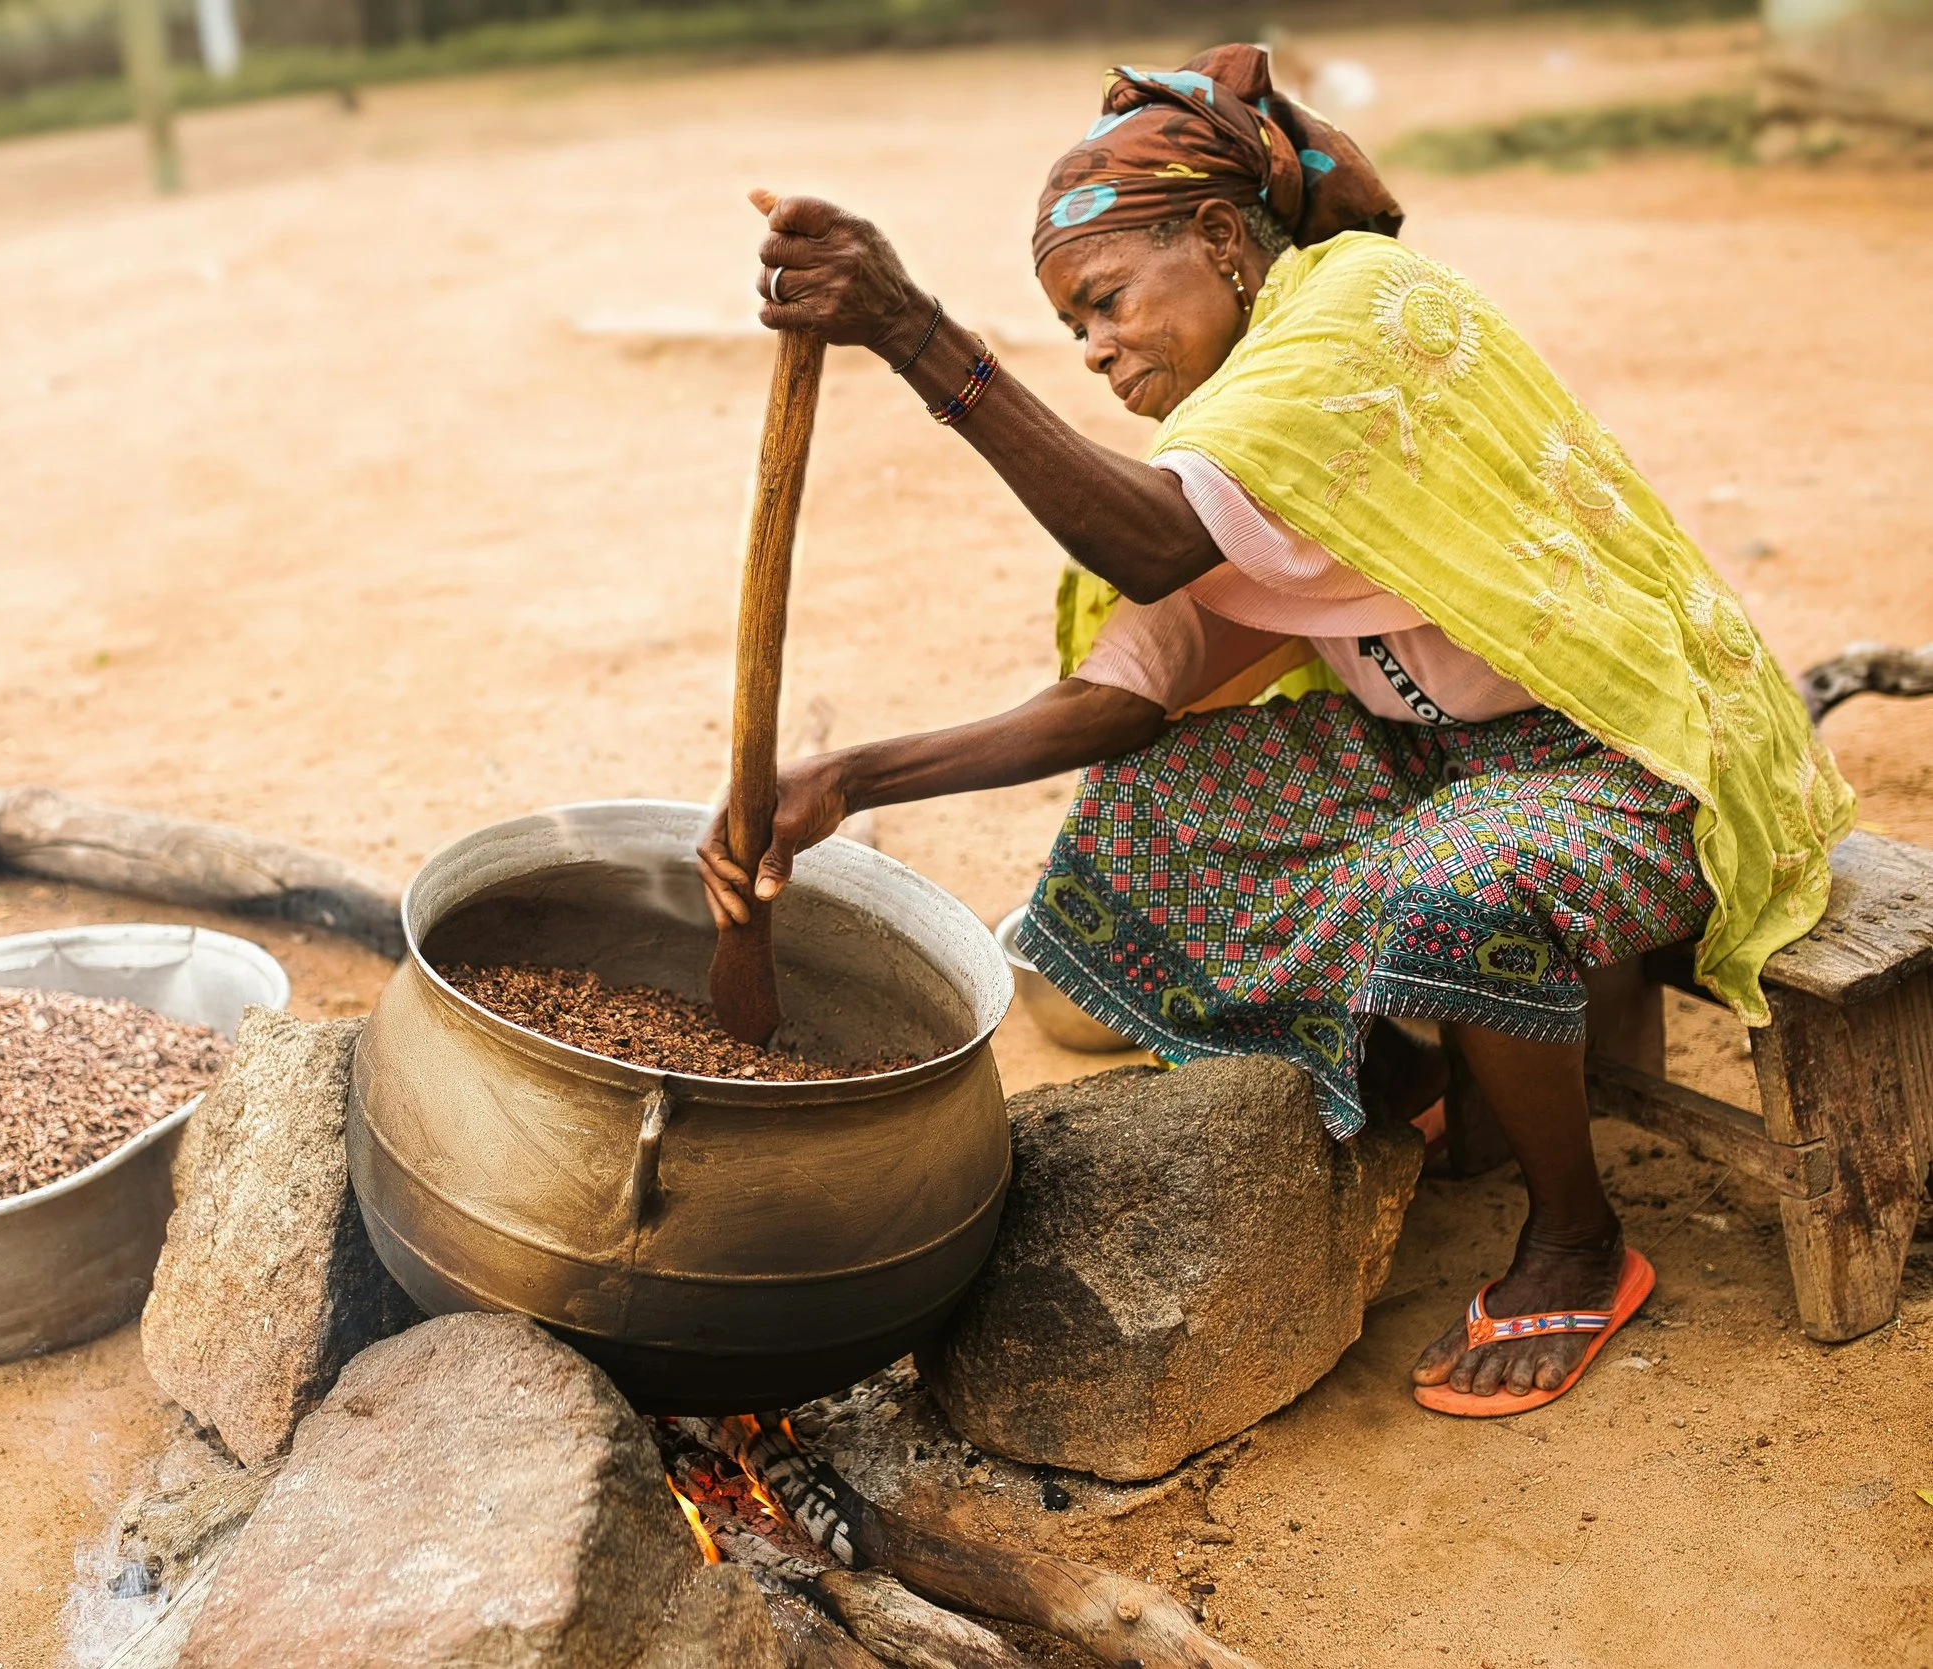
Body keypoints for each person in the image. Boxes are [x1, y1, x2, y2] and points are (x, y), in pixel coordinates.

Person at [697, 44, 1851, 1415]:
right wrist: (849, 778)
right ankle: (1403, 1072)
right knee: (1151, 805)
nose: (1096, 348)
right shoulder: (1248, 433)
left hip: (1630, 754)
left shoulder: (1365, 317)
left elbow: (1146, 543)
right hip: (1438, 753)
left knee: (1455, 888)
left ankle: (1578, 1240)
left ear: (1218, 235)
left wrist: (915, 333)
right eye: (1073, 327)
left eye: (1107, 300)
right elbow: (1128, 692)